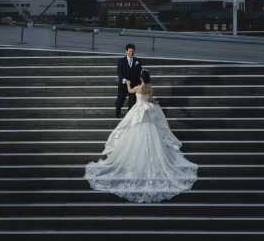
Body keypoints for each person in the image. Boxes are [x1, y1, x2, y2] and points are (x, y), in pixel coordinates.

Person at [85, 69, 198, 203]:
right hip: (147, 114)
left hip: (138, 112)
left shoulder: (138, 87)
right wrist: (155, 103)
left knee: (130, 130)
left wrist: (128, 83)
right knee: (152, 133)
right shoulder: (150, 87)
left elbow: (130, 91)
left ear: (140, 78)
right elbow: (150, 100)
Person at [115, 43, 141, 118]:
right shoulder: (121, 61)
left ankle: (129, 116)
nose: (131, 53)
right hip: (123, 85)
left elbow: (139, 72)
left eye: (132, 51)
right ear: (126, 51)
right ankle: (117, 113)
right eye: (129, 51)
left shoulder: (137, 61)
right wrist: (124, 80)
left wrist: (139, 83)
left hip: (133, 85)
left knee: (132, 102)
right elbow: (119, 72)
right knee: (120, 101)